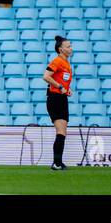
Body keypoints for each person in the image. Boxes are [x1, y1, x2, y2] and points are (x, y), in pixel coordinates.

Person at [42, 35, 73, 171]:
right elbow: (46, 76)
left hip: (62, 98)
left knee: (63, 132)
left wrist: (67, 89)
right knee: (60, 131)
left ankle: (58, 162)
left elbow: (62, 80)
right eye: (68, 46)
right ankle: (57, 163)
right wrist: (60, 87)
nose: (71, 48)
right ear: (61, 49)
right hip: (55, 98)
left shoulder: (66, 63)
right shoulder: (57, 61)